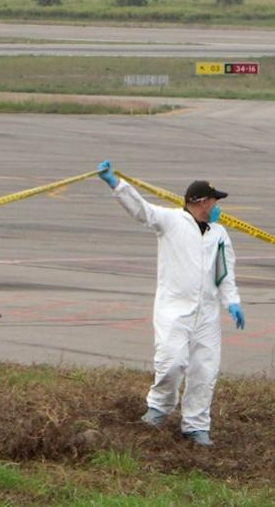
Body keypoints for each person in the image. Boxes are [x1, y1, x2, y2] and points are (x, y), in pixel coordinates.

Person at [96, 161, 245, 447]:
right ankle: (159, 408)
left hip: (207, 316)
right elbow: (142, 210)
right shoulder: (172, 222)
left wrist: (232, 302)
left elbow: (225, 272)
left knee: (205, 370)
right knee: (172, 363)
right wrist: (116, 184)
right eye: (214, 201)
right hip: (174, 310)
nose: (217, 206)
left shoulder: (219, 234)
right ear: (200, 202)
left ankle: (196, 426)